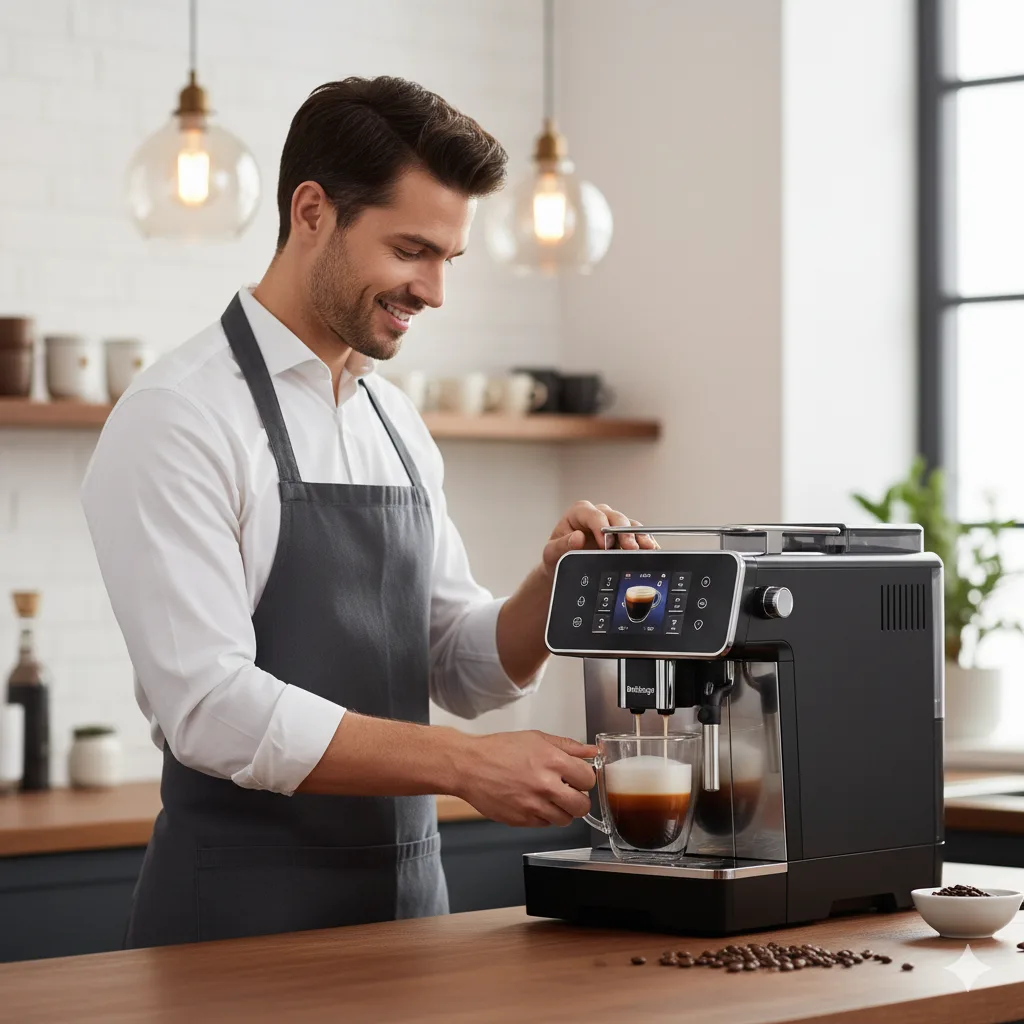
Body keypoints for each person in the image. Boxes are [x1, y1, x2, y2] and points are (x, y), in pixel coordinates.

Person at [81, 76, 655, 948]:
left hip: (410, 915)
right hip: (237, 928)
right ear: (312, 211)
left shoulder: (393, 421)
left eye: (448, 260)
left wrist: (554, 587)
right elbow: (209, 704)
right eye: (411, 250)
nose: (434, 290)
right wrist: (465, 766)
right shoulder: (178, 416)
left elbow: (457, 665)